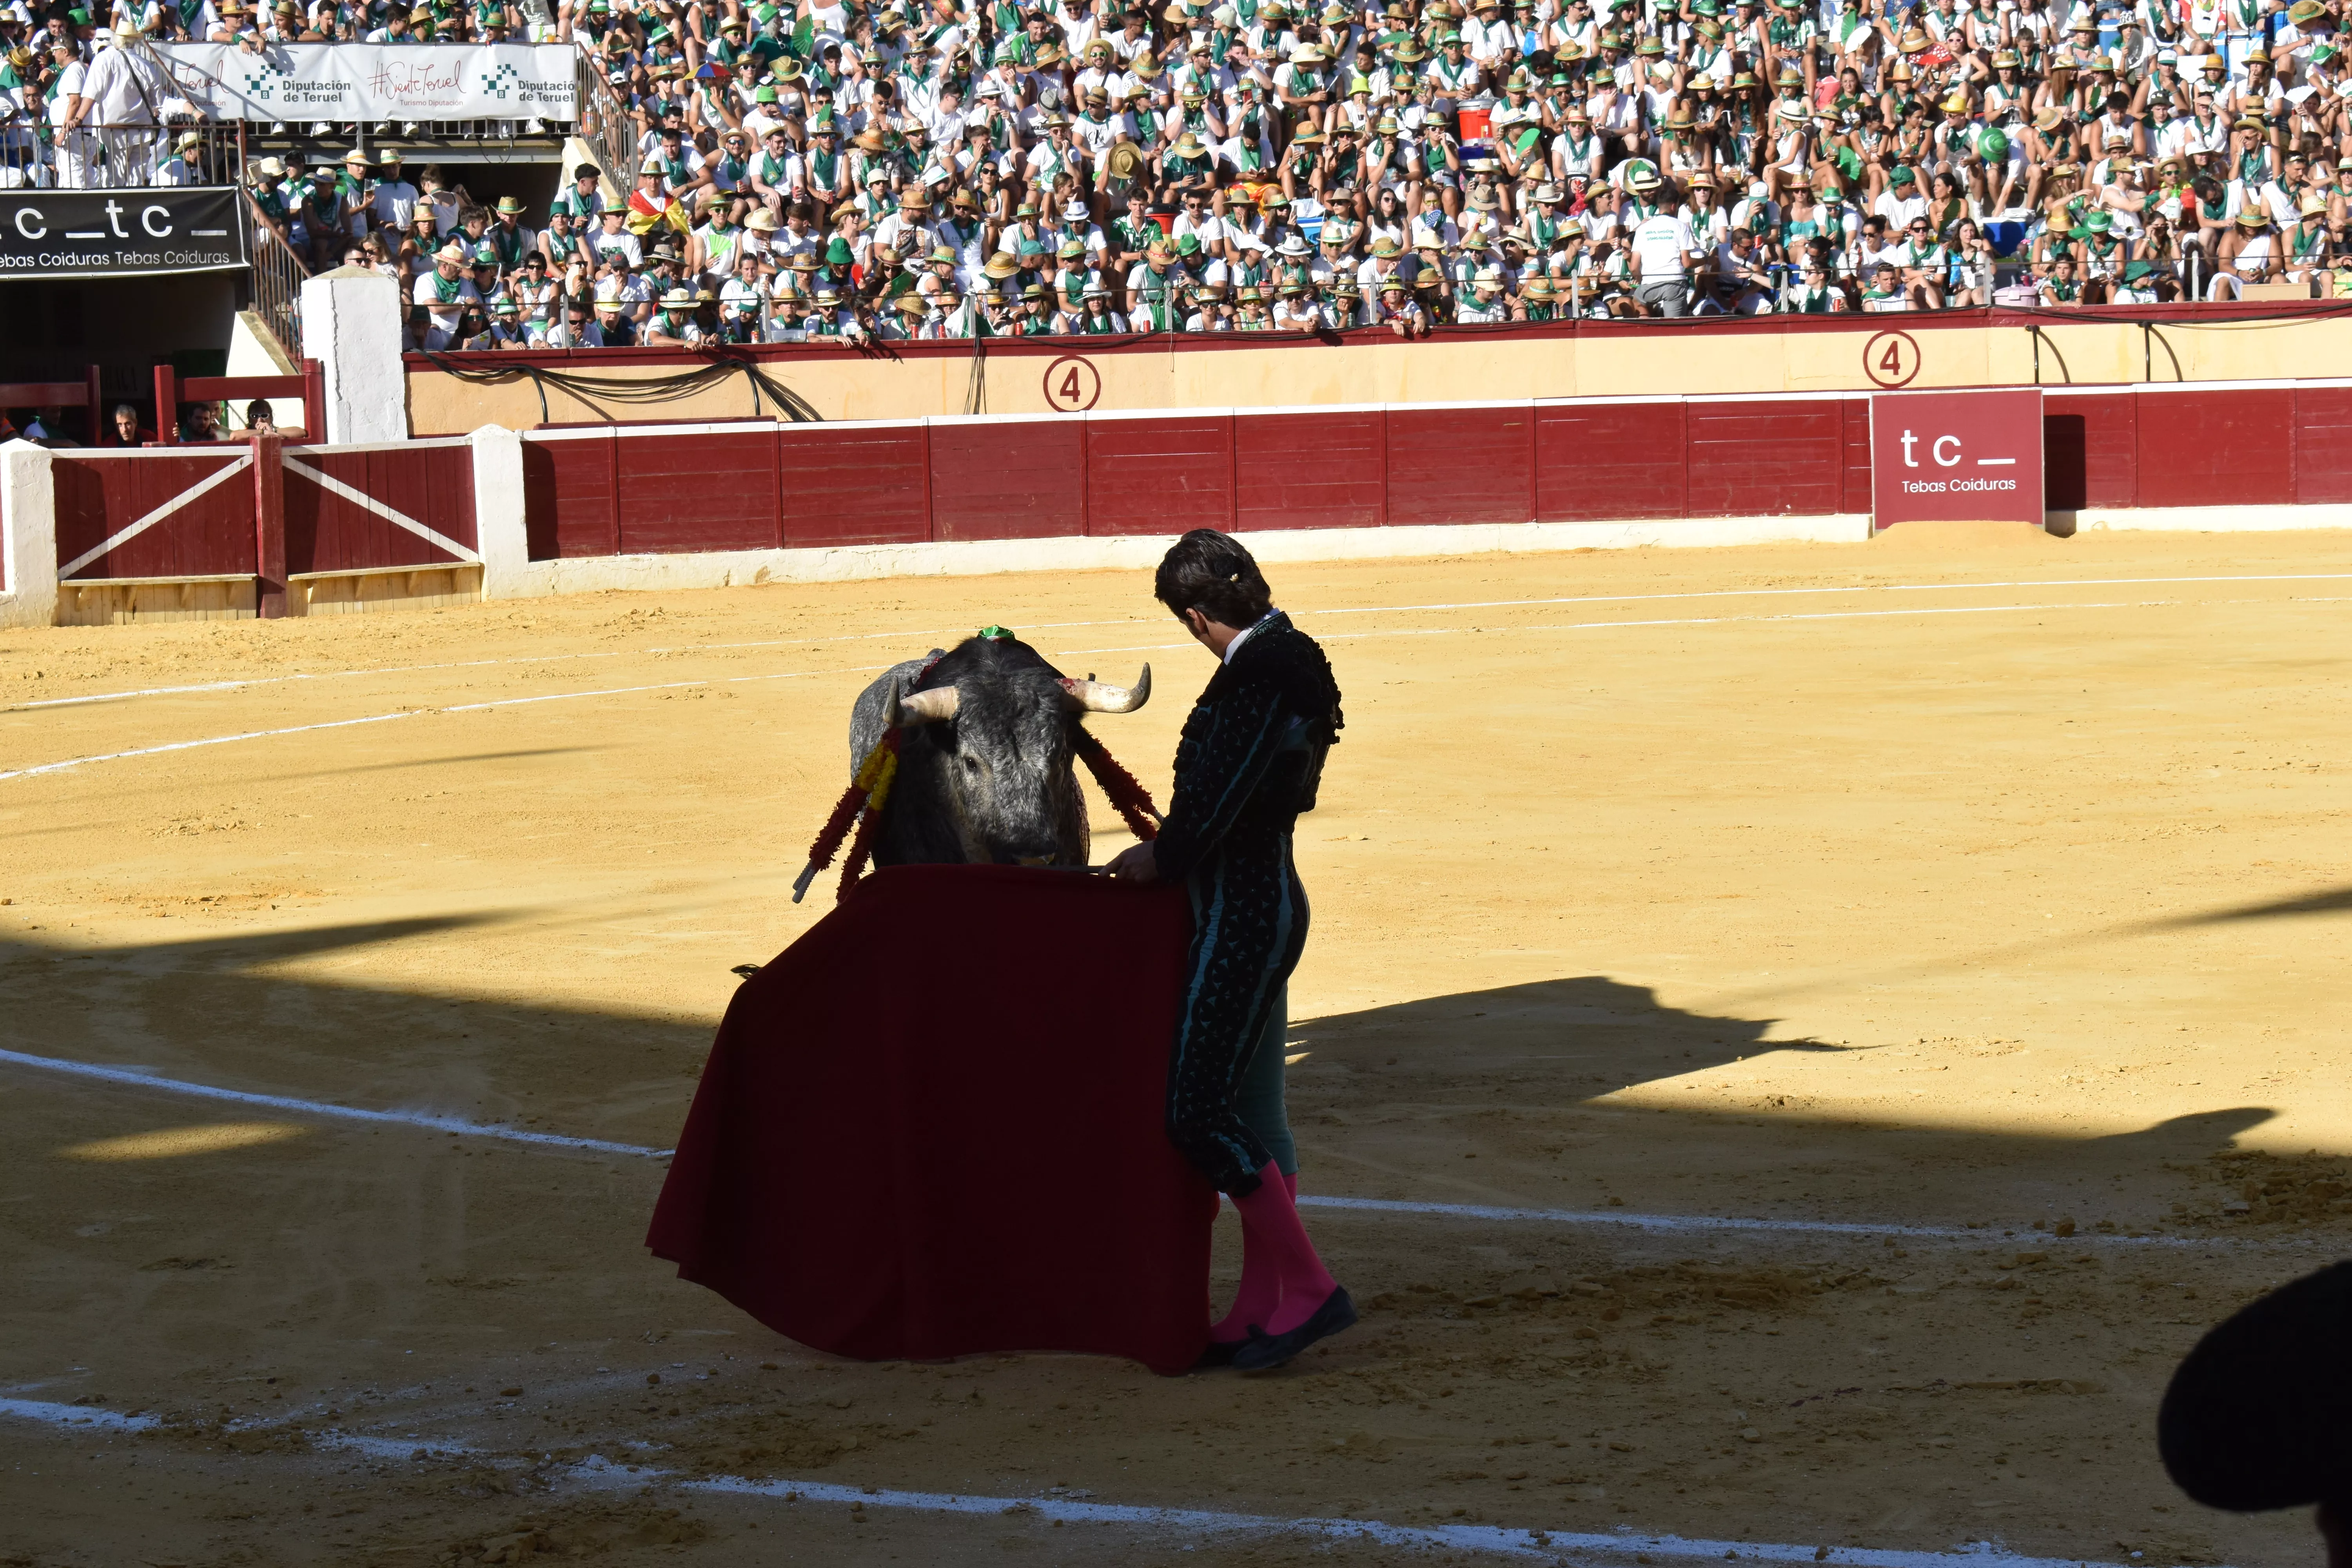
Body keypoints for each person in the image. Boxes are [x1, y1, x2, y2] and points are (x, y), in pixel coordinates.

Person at [1105, 529, 1354, 1372]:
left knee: (1196, 1112)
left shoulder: (1256, 673)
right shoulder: (1291, 654)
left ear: (1198, 615)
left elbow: (1222, 794)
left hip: (1243, 911)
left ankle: (1310, 1286)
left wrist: (1162, 855)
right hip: (1262, 897)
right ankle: (1263, 1301)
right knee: (1252, 1112)